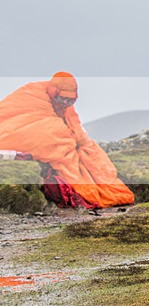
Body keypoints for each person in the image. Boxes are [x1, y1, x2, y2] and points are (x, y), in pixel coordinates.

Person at [0, 72, 134, 208]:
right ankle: (86, 190)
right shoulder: (32, 94)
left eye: (70, 101)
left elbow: (76, 128)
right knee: (55, 133)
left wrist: (80, 142)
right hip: (9, 130)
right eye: (61, 99)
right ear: (53, 92)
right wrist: (66, 138)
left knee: (89, 150)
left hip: (43, 131)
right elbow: (40, 124)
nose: (65, 104)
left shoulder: (65, 104)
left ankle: (102, 188)